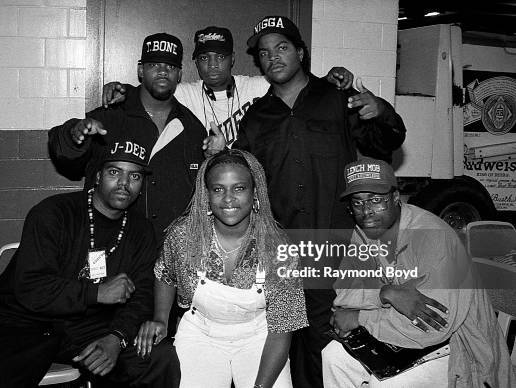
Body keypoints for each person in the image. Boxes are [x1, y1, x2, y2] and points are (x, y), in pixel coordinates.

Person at [234, 15, 408, 388]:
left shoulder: (337, 99)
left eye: (282, 47)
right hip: (279, 249)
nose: (273, 57)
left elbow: (387, 142)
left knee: (323, 341)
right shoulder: (256, 117)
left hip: (332, 246)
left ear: (300, 52)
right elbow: (241, 180)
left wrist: (382, 111)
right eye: (264, 53)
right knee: (279, 337)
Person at [0, 137, 179, 388]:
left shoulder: (141, 230)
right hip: (24, 320)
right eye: (114, 172)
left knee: (159, 358)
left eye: (135, 176)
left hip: (88, 324)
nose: (124, 184)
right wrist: (97, 293)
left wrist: (117, 338)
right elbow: (31, 286)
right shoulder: (53, 214)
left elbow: (143, 293)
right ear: (97, 176)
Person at [323, 157, 515, 387]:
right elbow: (345, 292)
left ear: (396, 198)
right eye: (358, 203)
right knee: (333, 357)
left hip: (456, 342)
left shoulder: (433, 238)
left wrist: (360, 317)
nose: (366, 211)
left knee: (385, 383)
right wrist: (386, 293)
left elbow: (435, 326)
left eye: (376, 200)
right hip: (399, 329)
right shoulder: (364, 232)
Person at [137, 149, 308, 387]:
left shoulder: (279, 247)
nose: (228, 199)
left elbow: (282, 328)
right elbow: (165, 274)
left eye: (239, 188)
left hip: (260, 337)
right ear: (206, 195)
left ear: (255, 192)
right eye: (218, 189)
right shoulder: (183, 236)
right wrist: (160, 319)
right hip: (201, 333)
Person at [48, 32, 207, 242]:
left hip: (174, 253)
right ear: (141, 70)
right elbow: (66, 156)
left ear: (179, 74)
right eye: (154, 65)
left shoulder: (192, 128)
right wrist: (74, 136)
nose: (162, 72)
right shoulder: (111, 117)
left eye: (170, 67)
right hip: (115, 247)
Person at [102, 26, 354, 147]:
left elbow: (294, 80)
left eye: (220, 57)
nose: (212, 65)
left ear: (233, 59)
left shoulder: (259, 86)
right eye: (204, 58)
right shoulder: (185, 92)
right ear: (195, 63)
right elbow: (154, 87)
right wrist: (121, 87)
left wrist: (328, 78)